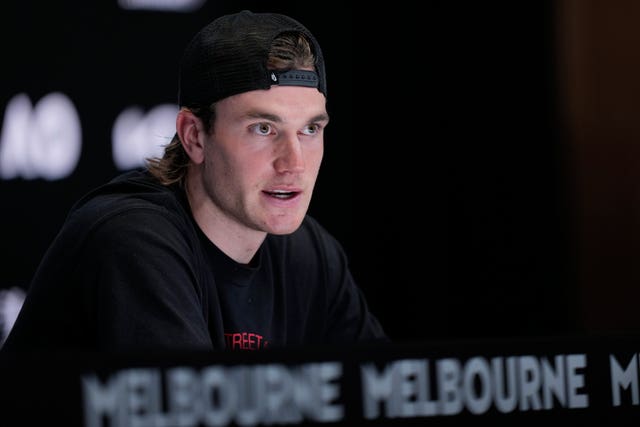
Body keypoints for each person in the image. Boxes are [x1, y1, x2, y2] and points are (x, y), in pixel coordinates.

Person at [0, 10, 387, 353]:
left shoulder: (310, 255)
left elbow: (385, 396)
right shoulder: (132, 240)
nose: (294, 163)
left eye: (310, 129)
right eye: (263, 128)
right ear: (195, 137)